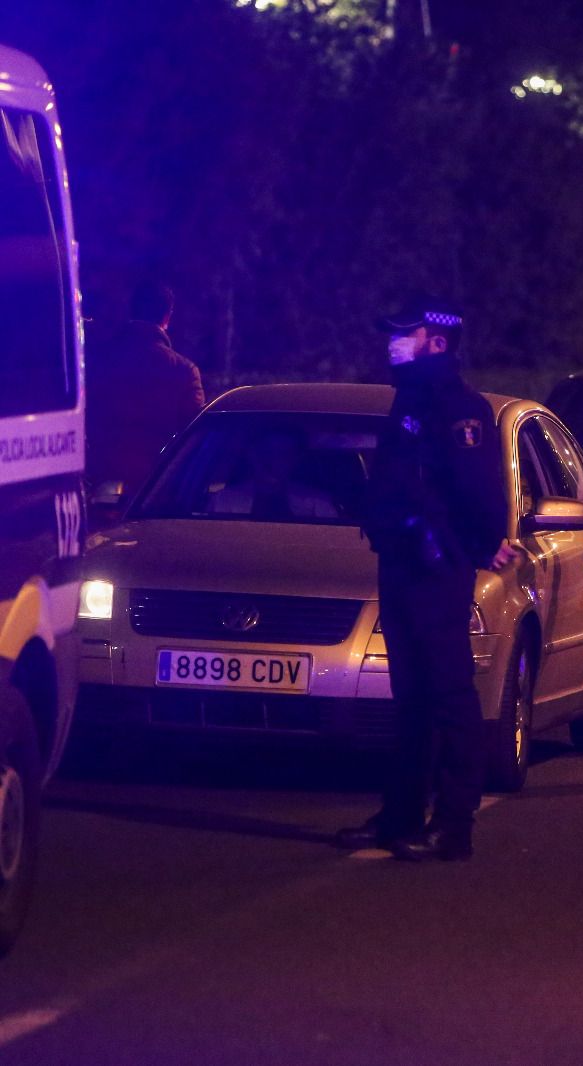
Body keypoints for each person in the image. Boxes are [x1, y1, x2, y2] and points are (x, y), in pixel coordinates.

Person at [337, 297, 513, 861]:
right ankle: (401, 813)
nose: (391, 343)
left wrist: (485, 543)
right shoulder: (410, 401)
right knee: (409, 694)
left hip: (437, 566)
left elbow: (476, 489)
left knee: (448, 692)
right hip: (403, 561)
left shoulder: (461, 409)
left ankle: (454, 824)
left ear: (435, 342)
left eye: (402, 334)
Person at [84, 280, 205, 506]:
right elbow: (194, 435)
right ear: (167, 317)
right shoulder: (183, 370)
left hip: (103, 481)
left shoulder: (100, 362)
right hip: (158, 487)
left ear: (132, 311)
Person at [206, 426, 339, 520]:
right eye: (266, 452)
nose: (271, 461)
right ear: (251, 455)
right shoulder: (222, 501)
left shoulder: (319, 504)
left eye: (282, 454)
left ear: (296, 460)